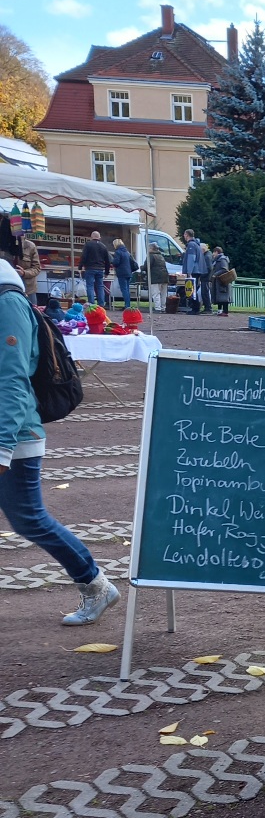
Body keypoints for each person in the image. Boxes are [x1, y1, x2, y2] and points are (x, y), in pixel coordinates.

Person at [0, 254, 121, 625]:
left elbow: (13, 382)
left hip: (15, 435)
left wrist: (2, 448)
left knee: (30, 519)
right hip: (11, 434)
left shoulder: (7, 302)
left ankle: (95, 584)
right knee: (28, 519)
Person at [181, 229, 211, 314]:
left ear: (187, 235)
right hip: (198, 270)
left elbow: (191, 259)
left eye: (184, 234)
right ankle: (195, 308)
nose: (184, 236)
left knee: (191, 289)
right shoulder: (197, 245)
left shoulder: (191, 245)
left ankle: (195, 308)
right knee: (194, 288)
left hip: (193, 270)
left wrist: (189, 272)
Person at [79, 231, 110, 307]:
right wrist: (106, 272)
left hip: (90, 268)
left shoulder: (88, 245)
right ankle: (101, 304)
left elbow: (84, 256)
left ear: (91, 237)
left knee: (90, 286)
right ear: (99, 237)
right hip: (100, 269)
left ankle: (91, 304)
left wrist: (80, 267)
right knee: (100, 286)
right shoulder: (103, 246)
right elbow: (107, 260)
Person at [210, 247, 236, 315]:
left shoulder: (222, 259)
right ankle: (220, 311)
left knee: (223, 296)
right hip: (219, 280)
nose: (213, 254)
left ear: (216, 252)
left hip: (222, 281)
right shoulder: (219, 259)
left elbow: (224, 269)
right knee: (220, 296)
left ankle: (225, 311)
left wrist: (215, 274)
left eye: (213, 252)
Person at [146, 243, 170, 312]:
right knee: (163, 294)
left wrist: (141, 268)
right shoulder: (161, 256)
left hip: (155, 277)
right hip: (165, 276)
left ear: (151, 249)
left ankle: (157, 308)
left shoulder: (151, 256)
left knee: (156, 293)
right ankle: (163, 308)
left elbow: (147, 266)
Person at [111, 237, 133, 309]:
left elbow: (116, 262)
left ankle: (127, 306)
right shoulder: (127, 252)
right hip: (128, 272)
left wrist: (112, 261)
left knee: (124, 289)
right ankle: (128, 304)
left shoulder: (118, 252)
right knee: (127, 289)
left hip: (122, 273)